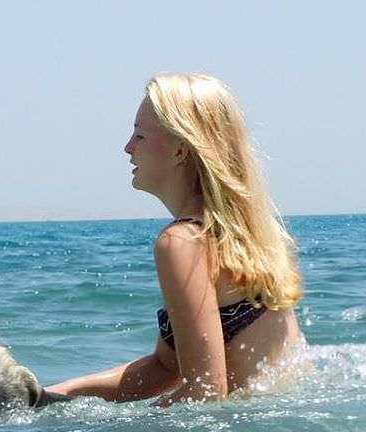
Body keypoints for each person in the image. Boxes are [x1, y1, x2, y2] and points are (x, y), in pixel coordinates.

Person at [47, 73, 305, 406]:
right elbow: (166, 367)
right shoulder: (248, 236)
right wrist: (61, 393)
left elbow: (206, 391)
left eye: (139, 135)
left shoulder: (182, 242)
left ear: (180, 150)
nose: (128, 147)